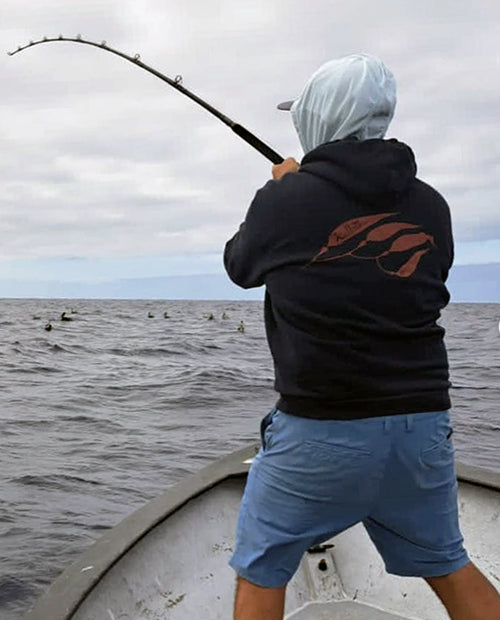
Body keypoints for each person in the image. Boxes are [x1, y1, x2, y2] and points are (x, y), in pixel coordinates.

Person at [223, 54, 500, 620]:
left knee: (261, 571)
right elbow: (426, 281)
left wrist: (284, 189)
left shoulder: (286, 199)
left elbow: (240, 265)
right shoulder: (433, 205)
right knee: (448, 562)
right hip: (421, 424)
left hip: (322, 427)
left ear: (319, 119)